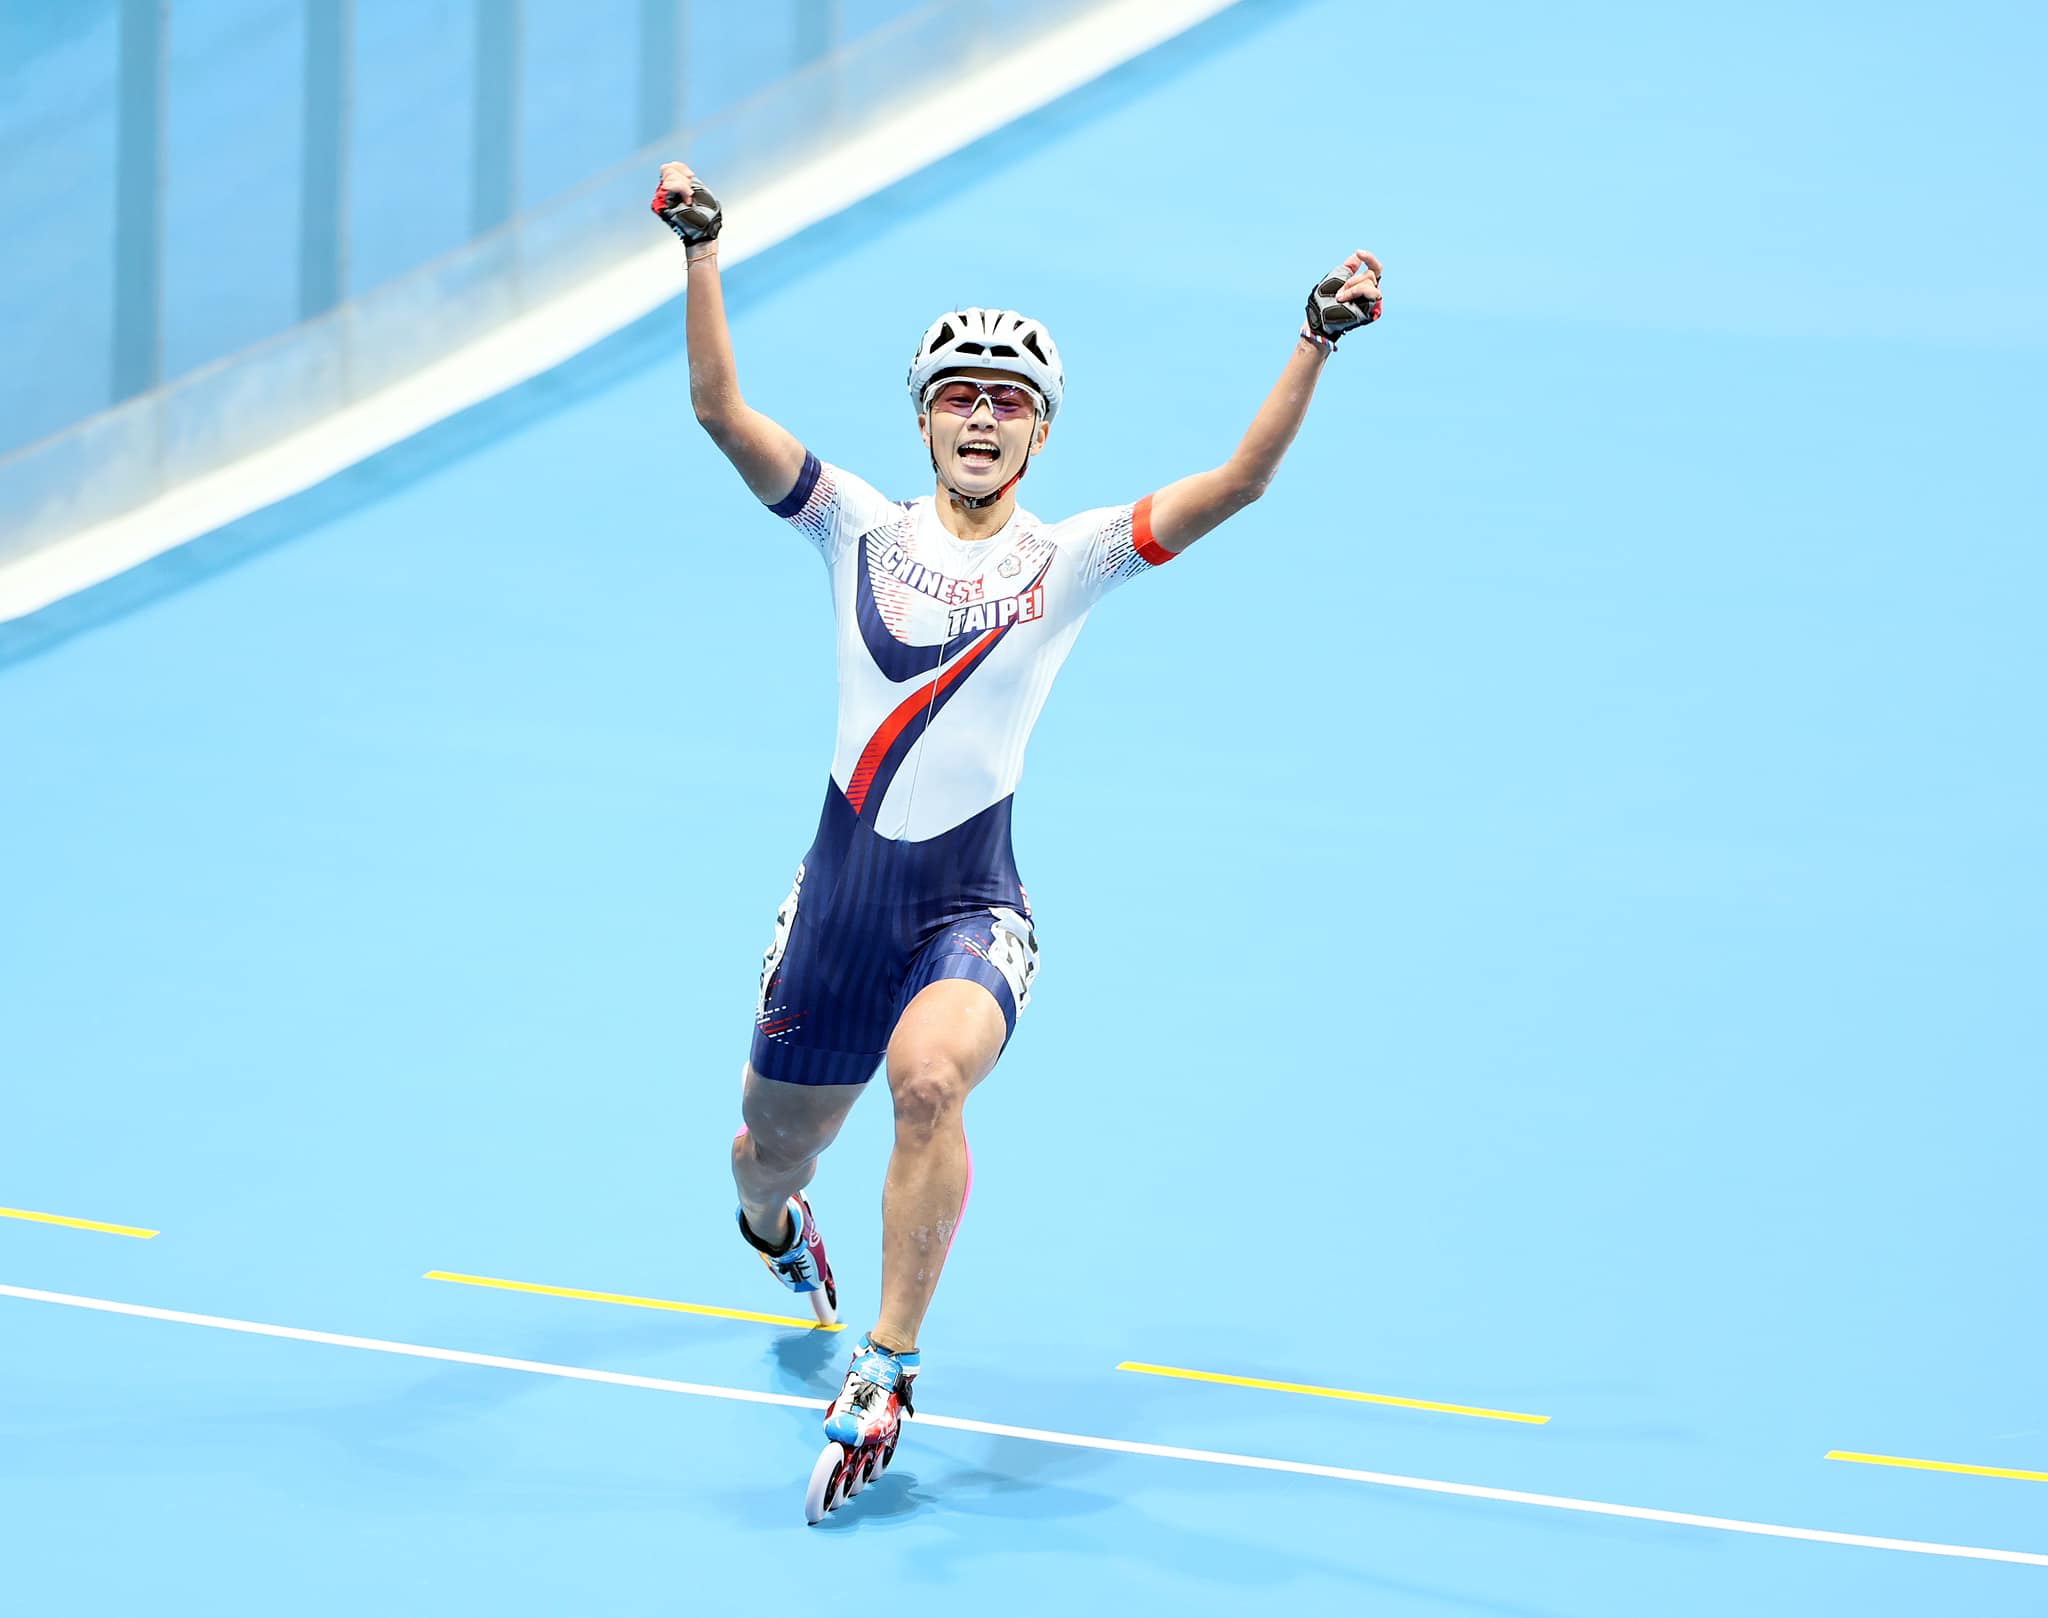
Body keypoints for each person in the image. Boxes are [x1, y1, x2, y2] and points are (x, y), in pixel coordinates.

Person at [651, 160, 1382, 1520]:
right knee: (768, 1154)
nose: (982, 416)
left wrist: (1314, 337)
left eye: (1009, 401)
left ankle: (887, 1365)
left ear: (1039, 435)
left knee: (930, 1083)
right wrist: (701, 250)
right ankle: (775, 1230)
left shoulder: (1069, 558)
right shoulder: (852, 526)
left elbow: (1239, 481)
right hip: (837, 913)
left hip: (968, 910)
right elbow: (718, 410)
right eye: (959, 396)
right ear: (925, 420)